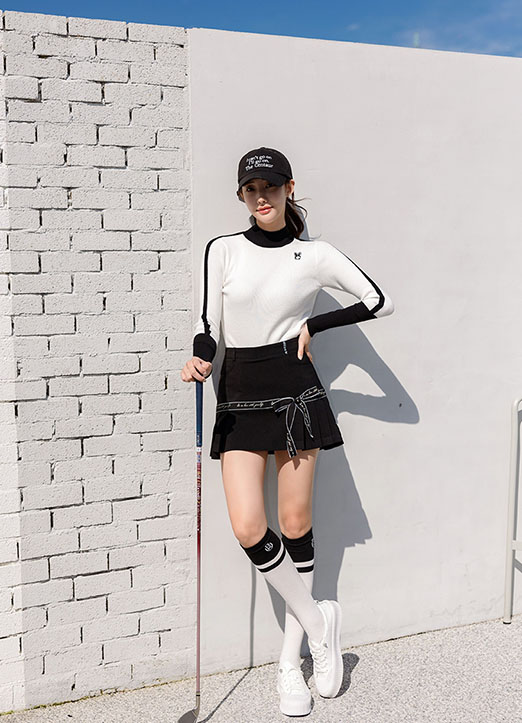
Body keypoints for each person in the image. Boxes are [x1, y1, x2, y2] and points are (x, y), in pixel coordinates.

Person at [181, 146, 394, 717]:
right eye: (251, 189)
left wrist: (315, 323)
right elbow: (208, 322)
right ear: (242, 196)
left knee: (296, 524)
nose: (261, 197)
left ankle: (289, 662)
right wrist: (200, 355)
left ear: (288, 188)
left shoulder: (314, 254)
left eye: (270, 187)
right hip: (239, 394)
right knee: (249, 526)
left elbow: (379, 301)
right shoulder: (223, 250)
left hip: (297, 394)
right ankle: (320, 622)